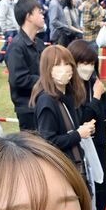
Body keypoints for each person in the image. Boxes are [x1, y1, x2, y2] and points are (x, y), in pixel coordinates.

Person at [69, 38, 106, 210]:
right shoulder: (69, 88)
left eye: (92, 63)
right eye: (84, 63)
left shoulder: (94, 81)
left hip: (98, 143)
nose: (89, 67)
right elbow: (81, 119)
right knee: (85, 183)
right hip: (79, 146)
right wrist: (96, 98)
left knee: (101, 182)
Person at [31, 45, 95, 185]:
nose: (64, 68)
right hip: (60, 168)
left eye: (67, 64)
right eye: (57, 65)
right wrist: (78, 134)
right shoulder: (47, 100)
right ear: (47, 69)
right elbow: (48, 141)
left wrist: (83, 129)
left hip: (72, 164)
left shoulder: (68, 94)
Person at [6, 0, 46, 130]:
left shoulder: (39, 43)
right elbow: (19, 79)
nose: (43, 15)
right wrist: (46, 81)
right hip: (28, 108)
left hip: (43, 102)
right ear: (29, 16)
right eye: (39, 12)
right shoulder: (16, 47)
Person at [0, 0, 19, 65]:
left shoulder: (12, 3)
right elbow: (2, 17)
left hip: (14, 27)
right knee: (7, 45)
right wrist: (4, 29)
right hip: (9, 28)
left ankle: (7, 60)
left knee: (13, 45)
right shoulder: (3, 3)